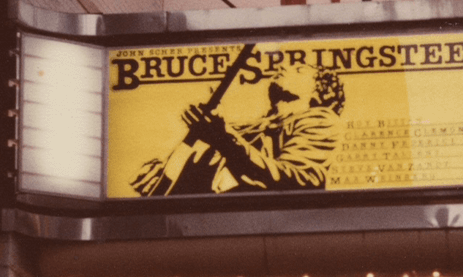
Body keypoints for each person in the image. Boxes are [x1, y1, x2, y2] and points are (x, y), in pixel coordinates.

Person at [130, 63, 345, 195]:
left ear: (318, 95)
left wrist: (222, 135)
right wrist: (163, 170)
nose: (283, 68)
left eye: (299, 70)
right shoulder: (248, 127)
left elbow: (294, 181)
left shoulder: (321, 119)